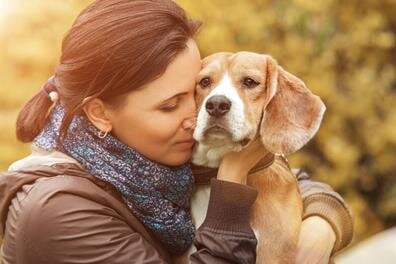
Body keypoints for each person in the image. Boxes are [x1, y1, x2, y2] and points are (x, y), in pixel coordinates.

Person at [0, 0, 353, 263]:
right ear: (100, 113)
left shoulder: (147, 159)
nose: (194, 116)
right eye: (170, 105)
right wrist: (231, 177)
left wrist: (323, 225)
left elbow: (289, 178)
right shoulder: (57, 214)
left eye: (194, 94)